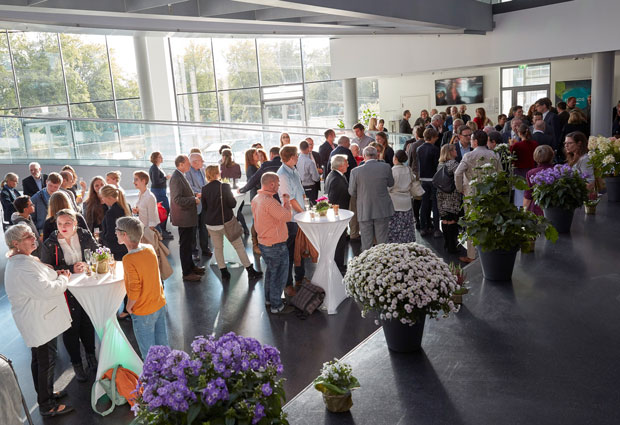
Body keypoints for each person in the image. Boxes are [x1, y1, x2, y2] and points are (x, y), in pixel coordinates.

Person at [4, 224, 74, 417]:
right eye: (28, 236)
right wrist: (64, 278)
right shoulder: (21, 267)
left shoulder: (23, 261)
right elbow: (46, 289)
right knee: (46, 362)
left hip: (39, 320)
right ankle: (47, 405)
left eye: (32, 234)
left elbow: (42, 278)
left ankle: (46, 394)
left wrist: (55, 274)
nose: (33, 238)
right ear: (15, 244)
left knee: (40, 360)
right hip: (39, 322)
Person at [40, 209, 98, 382]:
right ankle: (77, 364)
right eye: (59, 224)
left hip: (85, 287)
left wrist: (88, 264)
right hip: (64, 290)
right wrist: (70, 268)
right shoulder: (50, 244)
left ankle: (91, 356)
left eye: (67, 223)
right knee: (71, 328)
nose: (63, 227)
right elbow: (45, 270)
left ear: (75, 223)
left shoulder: (84, 235)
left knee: (87, 323)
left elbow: (96, 254)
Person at [116, 216, 169, 359]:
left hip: (143, 310)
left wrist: (128, 307)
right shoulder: (149, 248)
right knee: (163, 346)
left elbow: (134, 289)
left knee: (149, 354)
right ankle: (170, 376)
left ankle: (154, 380)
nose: (115, 232)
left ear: (124, 235)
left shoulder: (128, 259)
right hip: (159, 304)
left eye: (117, 230)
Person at [201, 165, 262, 280]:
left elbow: (204, 207)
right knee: (239, 246)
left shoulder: (204, 188)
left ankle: (224, 272)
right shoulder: (224, 186)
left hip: (211, 224)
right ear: (216, 174)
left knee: (218, 248)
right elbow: (233, 204)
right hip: (225, 223)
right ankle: (250, 271)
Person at [455, 130, 502, 263]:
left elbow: (458, 173)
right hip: (490, 194)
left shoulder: (469, 156)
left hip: (472, 193)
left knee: (472, 223)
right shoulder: (494, 154)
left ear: (475, 141)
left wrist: (460, 188)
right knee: (488, 222)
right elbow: (500, 174)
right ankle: (488, 251)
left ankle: (472, 255)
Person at [251, 172, 294, 315]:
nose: (279, 185)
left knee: (270, 273)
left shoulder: (257, 198)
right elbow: (287, 216)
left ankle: (269, 300)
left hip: (264, 243)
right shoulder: (269, 202)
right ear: (271, 184)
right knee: (279, 276)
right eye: (278, 183)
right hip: (276, 244)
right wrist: (286, 202)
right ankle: (277, 305)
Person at [349, 146, 394, 252]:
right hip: (382, 208)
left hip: (364, 208)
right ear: (377, 155)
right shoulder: (386, 167)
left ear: (364, 156)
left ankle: (367, 265)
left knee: (366, 242)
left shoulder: (355, 171)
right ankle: (384, 265)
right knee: (383, 242)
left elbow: (352, 192)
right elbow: (391, 183)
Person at [170, 155, 204, 282]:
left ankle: (191, 267)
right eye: (188, 163)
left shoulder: (180, 175)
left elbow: (183, 194)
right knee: (185, 245)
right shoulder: (176, 178)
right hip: (184, 217)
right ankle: (187, 272)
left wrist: (194, 195)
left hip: (187, 216)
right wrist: (193, 199)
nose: (190, 165)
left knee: (189, 244)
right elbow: (177, 199)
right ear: (181, 164)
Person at [277, 145, 307, 293]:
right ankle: (288, 284)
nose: (298, 157)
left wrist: (306, 208)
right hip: (291, 220)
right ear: (290, 157)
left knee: (299, 250)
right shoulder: (282, 174)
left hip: (300, 217)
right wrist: (303, 214)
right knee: (289, 252)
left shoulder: (294, 170)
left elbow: (301, 193)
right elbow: (290, 200)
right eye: (296, 155)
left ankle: (300, 278)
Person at [325, 155, 350, 273]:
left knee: (340, 241)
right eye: (346, 163)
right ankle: (338, 266)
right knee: (339, 241)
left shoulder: (334, 175)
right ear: (340, 166)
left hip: (340, 213)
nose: (348, 165)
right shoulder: (336, 178)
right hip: (338, 214)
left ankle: (339, 264)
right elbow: (333, 199)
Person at [185, 152, 213, 260]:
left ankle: (205, 249)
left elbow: (205, 184)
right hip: (194, 205)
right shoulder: (187, 173)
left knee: (204, 228)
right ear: (194, 162)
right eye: (201, 160)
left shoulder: (202, 170)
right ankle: (194, 252)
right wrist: (202, 192)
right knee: (193, 230)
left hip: (203, 204)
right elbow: (190, 188)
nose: (203, 162)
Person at [436, 144, 462, 253]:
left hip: (441, 194)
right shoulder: (453, 163)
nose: (456, 151)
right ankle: (452, 246)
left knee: (445, 219)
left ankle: (447, 244)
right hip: (451, 194)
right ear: (450, 152)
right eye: (455, 150)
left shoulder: (440, 164)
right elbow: (460, 175)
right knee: (452, 220)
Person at [417, 128, 442, 238]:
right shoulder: (435, 149)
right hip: (433, 179)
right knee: (435, 205)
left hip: (423, 179)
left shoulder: (419, 149)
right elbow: (437, 166)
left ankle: (423, 227)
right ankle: (436, 229)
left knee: (424, 204)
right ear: (432, 137)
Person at [387, 150, 415, 243]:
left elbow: (389, 187)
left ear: (395, 158)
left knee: (394, 226)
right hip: (406, 200)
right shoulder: (408, 169)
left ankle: (395, 245)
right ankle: (407, 244)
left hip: (394, 201)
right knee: (407, 225)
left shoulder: (392, 170)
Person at [510, 124, 539, 208]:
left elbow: (511, 157)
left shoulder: (517, 145)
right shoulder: (535, 143)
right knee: (531, 193)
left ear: (519, 133)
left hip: (519, 172)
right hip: (532, 171)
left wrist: (511, 145)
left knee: (519, 195)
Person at [524, 145, 555, 216]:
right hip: (554, 209)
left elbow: (528, 195)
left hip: (537, 209)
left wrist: (524, 213)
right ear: (552, 155)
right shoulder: (557, 171)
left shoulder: (531, 173)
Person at [149, 151, 173, 239]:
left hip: (160, 191)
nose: (162, 158)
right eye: (160, 157)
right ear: (155, 158)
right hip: (158, 192)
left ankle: (163, 230)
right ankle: (161, 230)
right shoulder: (154, 168)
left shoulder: (157, 167)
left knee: (164, 210)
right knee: (164, 210)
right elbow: (156, 181)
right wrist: (165, 178)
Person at [132, 171, 160, 240]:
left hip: (147, 231)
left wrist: (149, 234)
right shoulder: (140, 194)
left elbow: (152, 217)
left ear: (143, 181)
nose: (133, 182)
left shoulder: (150, 196)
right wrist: (137, 211)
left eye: (136, 179)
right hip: (141, 230)